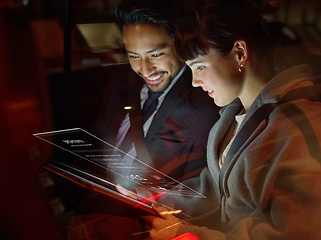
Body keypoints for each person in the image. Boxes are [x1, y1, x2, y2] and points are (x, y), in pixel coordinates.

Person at [120, 0, 321, 239]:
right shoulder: (231, 120)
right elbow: (215, 188)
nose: (195, 81)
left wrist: (185, 234)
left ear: (239, 53)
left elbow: (297, 231)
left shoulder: (294, 125)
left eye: (200, 67)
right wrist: (150, 198)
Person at [67, 0, 220, 239]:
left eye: (156, 54)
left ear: (178, 44)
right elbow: (99, 143)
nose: (145, 69)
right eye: (134, 56)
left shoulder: (202, 105)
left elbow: (193, 191)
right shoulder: (122, 82)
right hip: (95, 203)